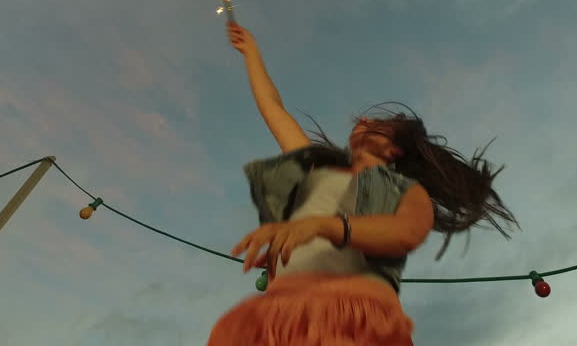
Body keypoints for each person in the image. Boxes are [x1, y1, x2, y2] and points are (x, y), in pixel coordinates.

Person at [207, 21, 520, 345]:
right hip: (278, 320)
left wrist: (320, 226)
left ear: (394, 148)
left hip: (356, 324)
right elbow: (274, 107)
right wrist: (251, 52)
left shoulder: (405, 191)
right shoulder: (315, 168)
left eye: (377, 124)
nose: (363, 120)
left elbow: (404, 233)